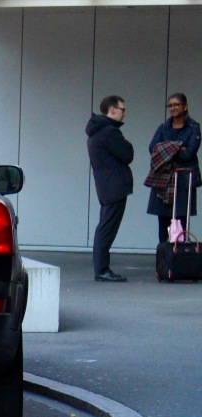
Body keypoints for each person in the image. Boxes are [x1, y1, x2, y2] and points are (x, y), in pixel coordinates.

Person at [87, 95, 134, 281]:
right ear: (112, 109)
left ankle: (101, 268)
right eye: (122, 110)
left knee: (104, 227)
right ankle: (102, 270)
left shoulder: (96, 132)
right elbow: (127, 153)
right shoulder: (110, 132)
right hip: (115, 187)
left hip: (106, 186)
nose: (125, 114)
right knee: (107, 229)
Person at [146, 92, 201, 244]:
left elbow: (189, 154)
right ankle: (163, 264)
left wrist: (165, 149)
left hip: (183, 180)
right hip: (163, 180)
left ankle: (179, 261)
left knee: (181, 222)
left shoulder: (193, 128)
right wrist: (177, 147)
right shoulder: (163, 127)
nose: (173, 108)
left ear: (185, 106)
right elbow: (152, 149)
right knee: (163, 223)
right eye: (170, 105)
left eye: (176, 104)